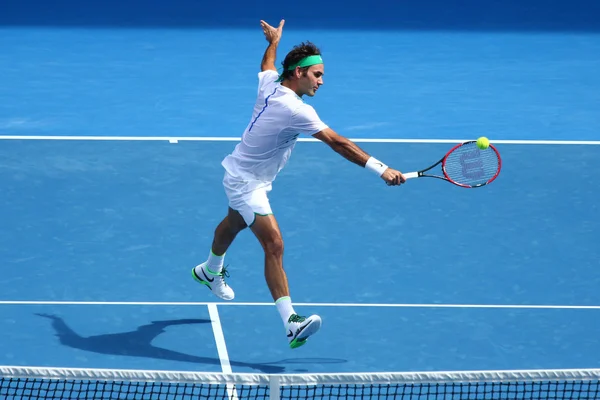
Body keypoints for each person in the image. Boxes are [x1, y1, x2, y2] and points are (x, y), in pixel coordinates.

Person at [192, 19, 406, 349]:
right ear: (298, 73)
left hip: (250, 176)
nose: (321, 81)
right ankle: (291, 322)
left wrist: (273, 42)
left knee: (234, 223)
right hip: (245, 181)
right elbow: (338, 142)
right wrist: (381, 169)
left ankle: (209, 269)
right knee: (274, 244)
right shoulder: (296, 110)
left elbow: (267, 64)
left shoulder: (270, 85)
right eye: (317, 74)